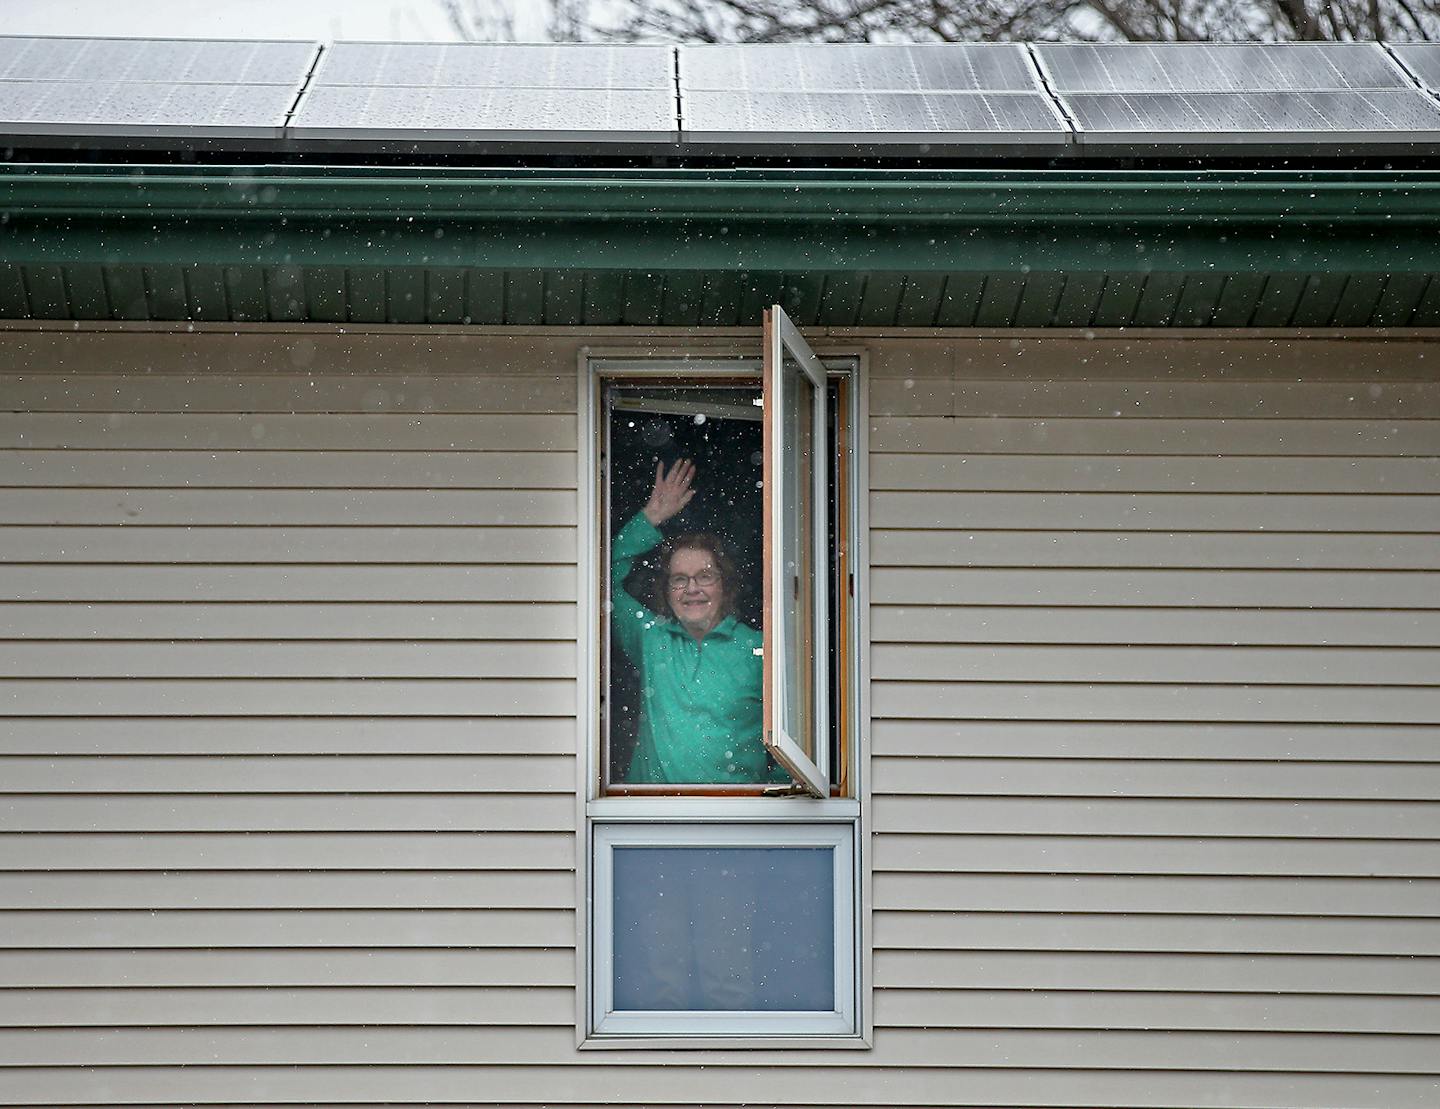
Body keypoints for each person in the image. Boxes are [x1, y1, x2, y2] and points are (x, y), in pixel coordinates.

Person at [610, 458, 785, 784]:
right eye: (679, 579)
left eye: (704, 576)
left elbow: (790, 750)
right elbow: (599, 580)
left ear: (724, 583)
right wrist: (651, 518)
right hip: (653, 819)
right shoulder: (651, 638)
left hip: (737, 818)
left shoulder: (760, 649)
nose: (691, 588)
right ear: (667, 589)